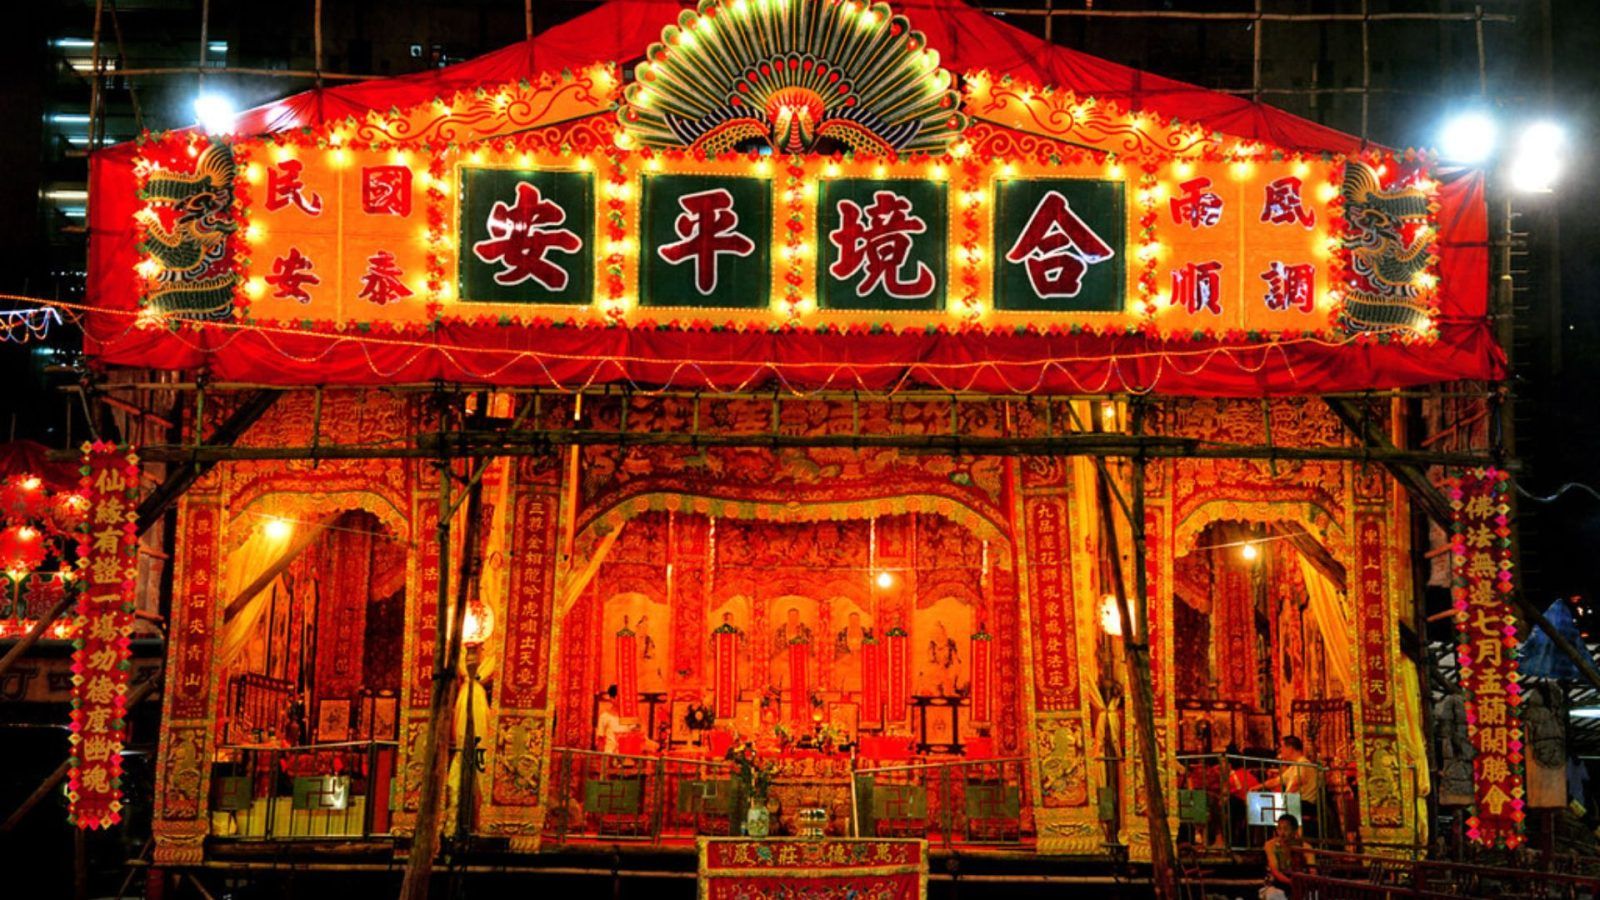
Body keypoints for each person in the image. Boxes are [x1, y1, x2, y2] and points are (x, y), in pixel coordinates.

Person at [1266, 736, 1323, 839]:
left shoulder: (1303, 764)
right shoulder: (1294, 766)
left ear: (1290, 748)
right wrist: (1255, 787)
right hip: (1294, 801)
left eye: (1282, 747)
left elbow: (1297, 782)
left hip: (1304, 803)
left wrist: (1285, 797)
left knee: (1270, 808)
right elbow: (1277, 780)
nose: (1281, 750)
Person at [1262, 813, 1312, 900]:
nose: (1281, 833)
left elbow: (1312, 870)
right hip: (1278, 883)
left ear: (1295, 830)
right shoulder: (1270, 845)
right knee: (1273, 895)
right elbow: (1275, 870)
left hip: (1301, 883)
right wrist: (1291, 882)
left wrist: (1304, 883)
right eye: (1279, 829)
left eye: (1286, 829)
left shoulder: (1305, 847)